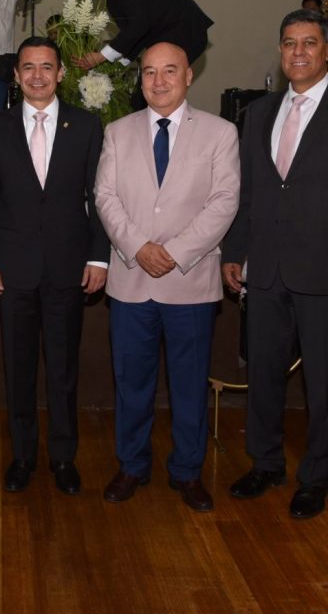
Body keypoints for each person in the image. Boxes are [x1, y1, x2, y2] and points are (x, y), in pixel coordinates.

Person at [221, 9, 328, 519]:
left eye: (309, 43)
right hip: (266, 271)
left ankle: (316, 476)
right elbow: (250, 192)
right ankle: (266, 463)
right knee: (264, 376)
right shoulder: (259, 112)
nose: (298, 52)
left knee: (324, 384)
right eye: (289, 43)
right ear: (280, 51)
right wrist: (234, 251)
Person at [93, 42, 240, 510]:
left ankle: (187, 472)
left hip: (190, 282)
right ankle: (131, 466)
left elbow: (224, 201)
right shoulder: (117, 132)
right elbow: (105, 197)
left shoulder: (220, 133)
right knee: (131, 382)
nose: (158, 81)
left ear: (189, 76)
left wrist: (174, 253)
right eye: (149, 72)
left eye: (169, 71)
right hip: (131, 279)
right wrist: (139, 247)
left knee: (189, 383)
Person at [0, 36, 107, 496]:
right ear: (16, 75)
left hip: (68, 268)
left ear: (61, 73)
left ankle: (64, 457)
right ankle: (23, 457)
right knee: (18, 369)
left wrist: (98, 256)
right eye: (28, 68)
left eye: (46, 67)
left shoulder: (87, 125)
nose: (37, 76)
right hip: (13, 270)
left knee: (63, 370)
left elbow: (99, 197)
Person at [64, 0, 213, 111]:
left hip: (182, 31)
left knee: (151, 92)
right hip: (177, 34)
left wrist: (101, 56)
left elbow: (139, 25)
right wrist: (119, 64)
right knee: (147, 93)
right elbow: (139, 31)